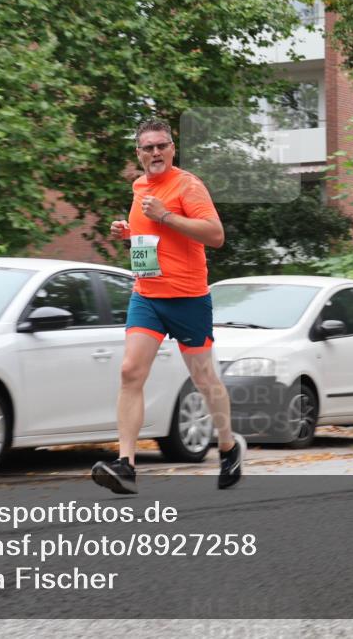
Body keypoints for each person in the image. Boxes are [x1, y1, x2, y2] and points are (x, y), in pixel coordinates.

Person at [91, 118, 246, 494]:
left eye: (162, 146)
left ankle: (228, 446)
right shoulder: (139, 186)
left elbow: (216, 235)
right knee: (130, 372)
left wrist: (166, 215)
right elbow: (152, 238)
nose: (156, 152)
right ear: (138, 153)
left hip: (188, 298)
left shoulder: (187, 185)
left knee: (204, 379)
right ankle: (125, 465)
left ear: (172, 148)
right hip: (147, 295)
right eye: (149, 147)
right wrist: (128, 233)